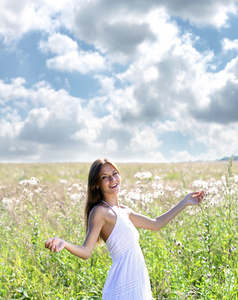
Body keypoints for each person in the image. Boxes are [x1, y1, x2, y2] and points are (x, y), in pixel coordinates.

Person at [45, 158, 204, 299]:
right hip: (123, 286)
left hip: (138, 282)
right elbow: (86, 252)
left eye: (114, 173)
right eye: (104, 177)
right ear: (96, 185)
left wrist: (185, 202)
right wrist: (64, 243)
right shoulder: (100, 212)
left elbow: (156, 224)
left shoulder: (124, 211)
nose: (112, 179)